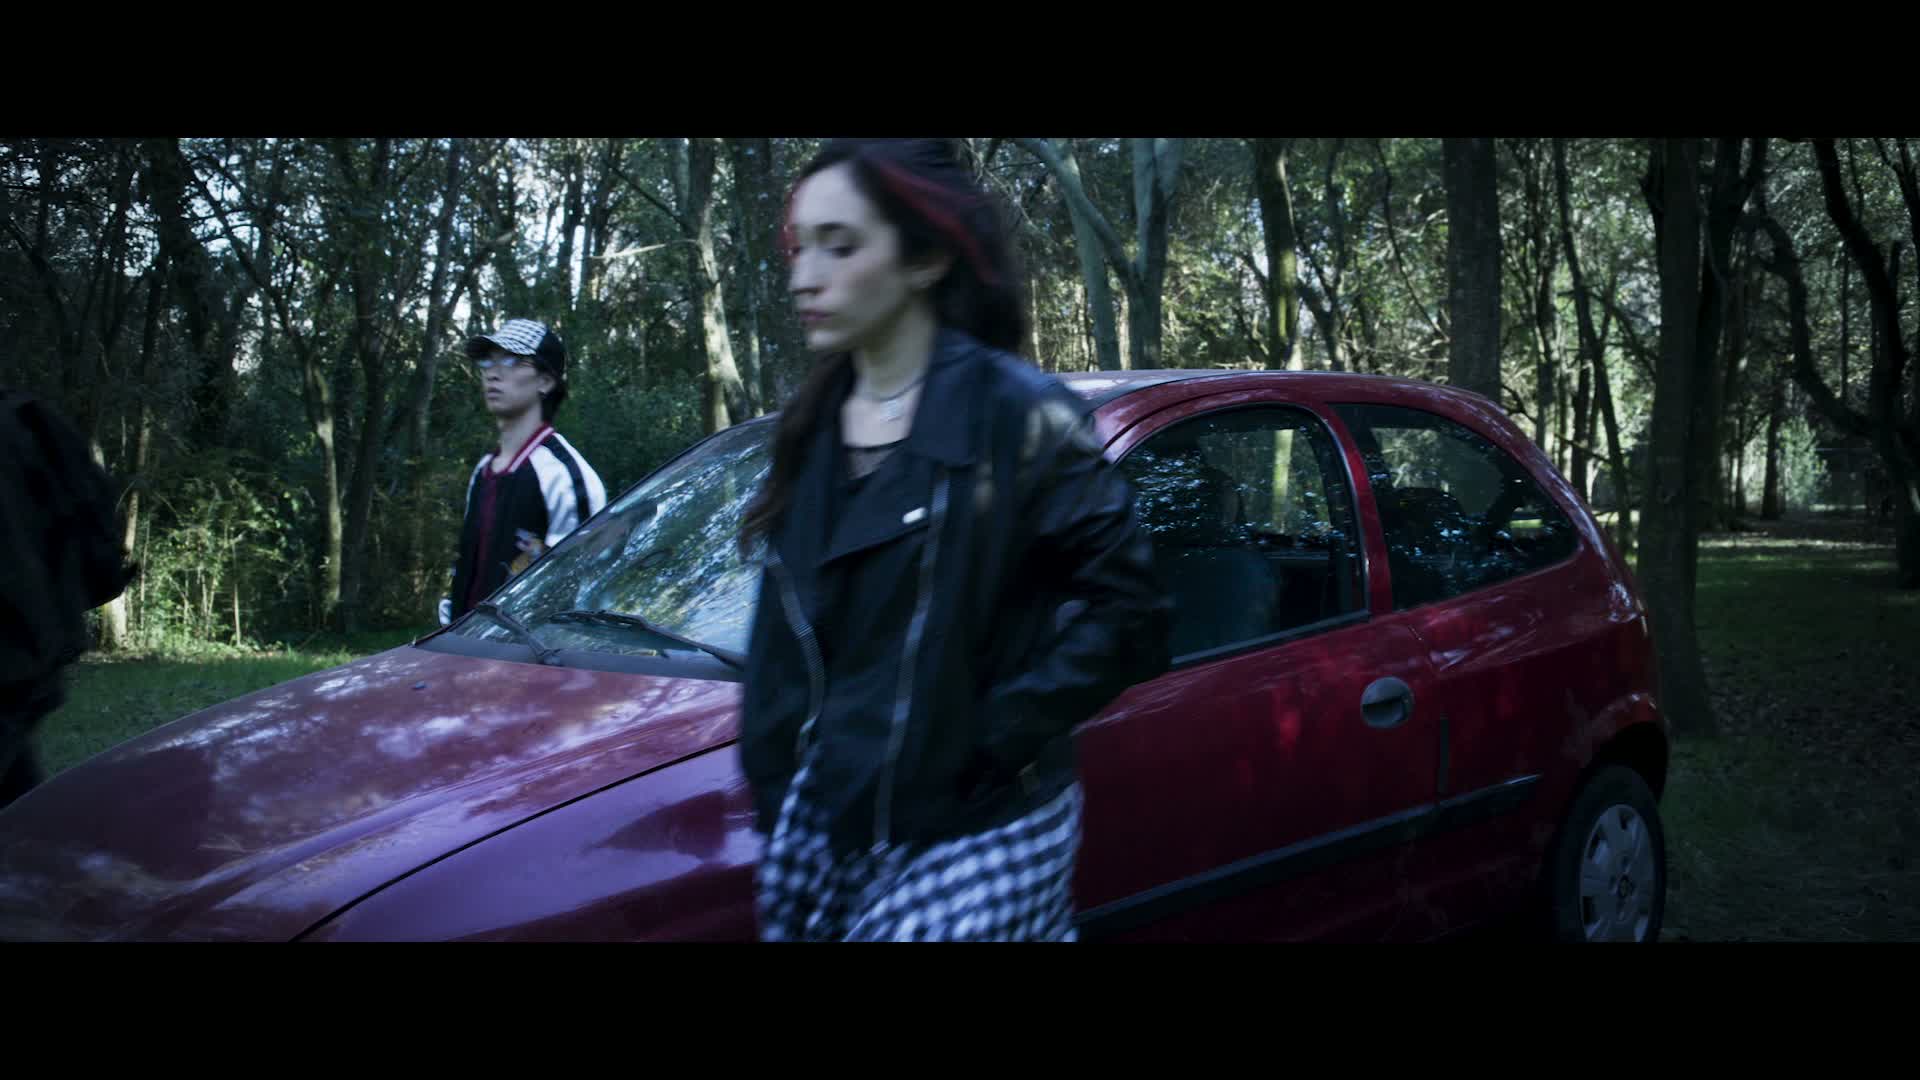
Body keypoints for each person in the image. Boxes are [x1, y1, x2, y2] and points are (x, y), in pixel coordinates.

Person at [735, 139, 1171, 941]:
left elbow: (1132, 615)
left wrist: (987, 740)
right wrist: (775, 779)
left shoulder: (1021, 416)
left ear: (926, 258)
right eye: (800, 246)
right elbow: (788, 644)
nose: (804, 276)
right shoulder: (812, 428)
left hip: (983, 828)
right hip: (830, 823)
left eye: (841, 246)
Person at [0, 388, 135, 809]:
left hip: (18, 654)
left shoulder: (20, 426)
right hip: (33, 654)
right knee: (20, 804)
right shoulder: (21, 421)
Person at [439, 320, 607, 626]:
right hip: (463, 648)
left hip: (531, 652)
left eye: (512, 361)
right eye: (487, 361)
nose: (493, 373)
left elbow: (580, 591)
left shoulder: (566, 476)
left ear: (545, 381)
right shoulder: (483, 471)